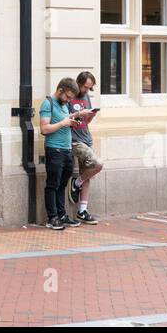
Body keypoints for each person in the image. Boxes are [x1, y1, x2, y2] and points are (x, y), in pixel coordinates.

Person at [39, 77, 83, 231]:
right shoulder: (48, 103)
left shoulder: (65, 105)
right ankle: (52, 218)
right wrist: (64, 123)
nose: (69, 100)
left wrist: (72, 119)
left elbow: (64, 120)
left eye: (71, 98)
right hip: (54, 150)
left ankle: (62, 215)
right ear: (60, 90)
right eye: (68, 97)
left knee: (62, 184)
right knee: (53, 184)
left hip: (67, 150)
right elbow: (44, 129)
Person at [67, 71, 103, 225]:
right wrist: (79, 113)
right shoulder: (69, 96)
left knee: (87, 174)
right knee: (97, 164)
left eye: (89, 88)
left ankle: (82, 211)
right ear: (79, 83)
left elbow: (85, 122)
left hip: (86, 137)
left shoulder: (86, 97)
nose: (87, 91)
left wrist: (89, 116)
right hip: (75, 140)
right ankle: (76, 183)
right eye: (85, 87)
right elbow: (65, 118)